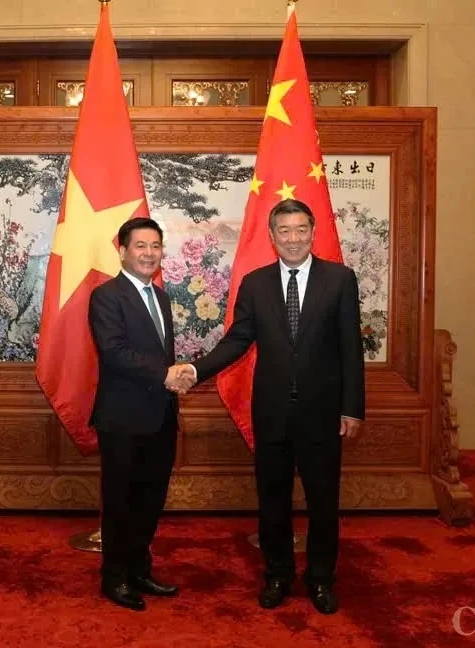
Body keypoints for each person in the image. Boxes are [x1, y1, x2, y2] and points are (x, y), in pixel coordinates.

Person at [174, 198, 365, 614]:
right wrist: (195, 368)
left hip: (323, 414)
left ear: (313, 232)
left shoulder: (339, 280)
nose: (293, 239)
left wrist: (352, 409)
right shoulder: (256, 283)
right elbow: (237, 341)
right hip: (272, 413)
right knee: (272, 501)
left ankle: (320, 578)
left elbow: (351, 350)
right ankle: (278, 575)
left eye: (300, 230)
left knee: (323, 503)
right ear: (273, 236)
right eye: (285, 231)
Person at [88, 217, 192, 612]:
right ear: (123, 251)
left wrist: (176, 376)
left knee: (151, 499)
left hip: (161, 416)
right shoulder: (107, 296)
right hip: (122, 419)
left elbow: (157, 355)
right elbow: (113, 351)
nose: (149, 253)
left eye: (155, 246)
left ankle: (139, 569)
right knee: (120, 501)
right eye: (140, 246)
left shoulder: (161, 297)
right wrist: (165, 373)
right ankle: (113, 577)